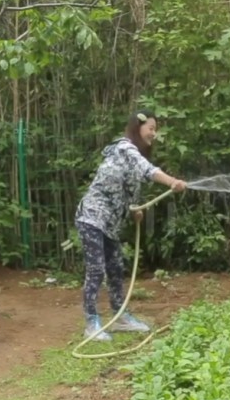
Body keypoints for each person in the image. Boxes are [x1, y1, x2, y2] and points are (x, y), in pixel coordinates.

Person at [74, 109, 187, 341]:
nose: (154, 134)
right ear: (138, 127)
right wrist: (172, 181)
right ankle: (91, 323)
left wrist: (134, 209)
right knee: (96, 270)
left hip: (110, 224)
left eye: (156, 130)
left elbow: (128, 186)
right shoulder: (125, 148)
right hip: (92, 217)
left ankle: (120, 317)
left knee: (116, 269)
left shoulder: (133, 157)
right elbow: (148, 170)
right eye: (151, 129)